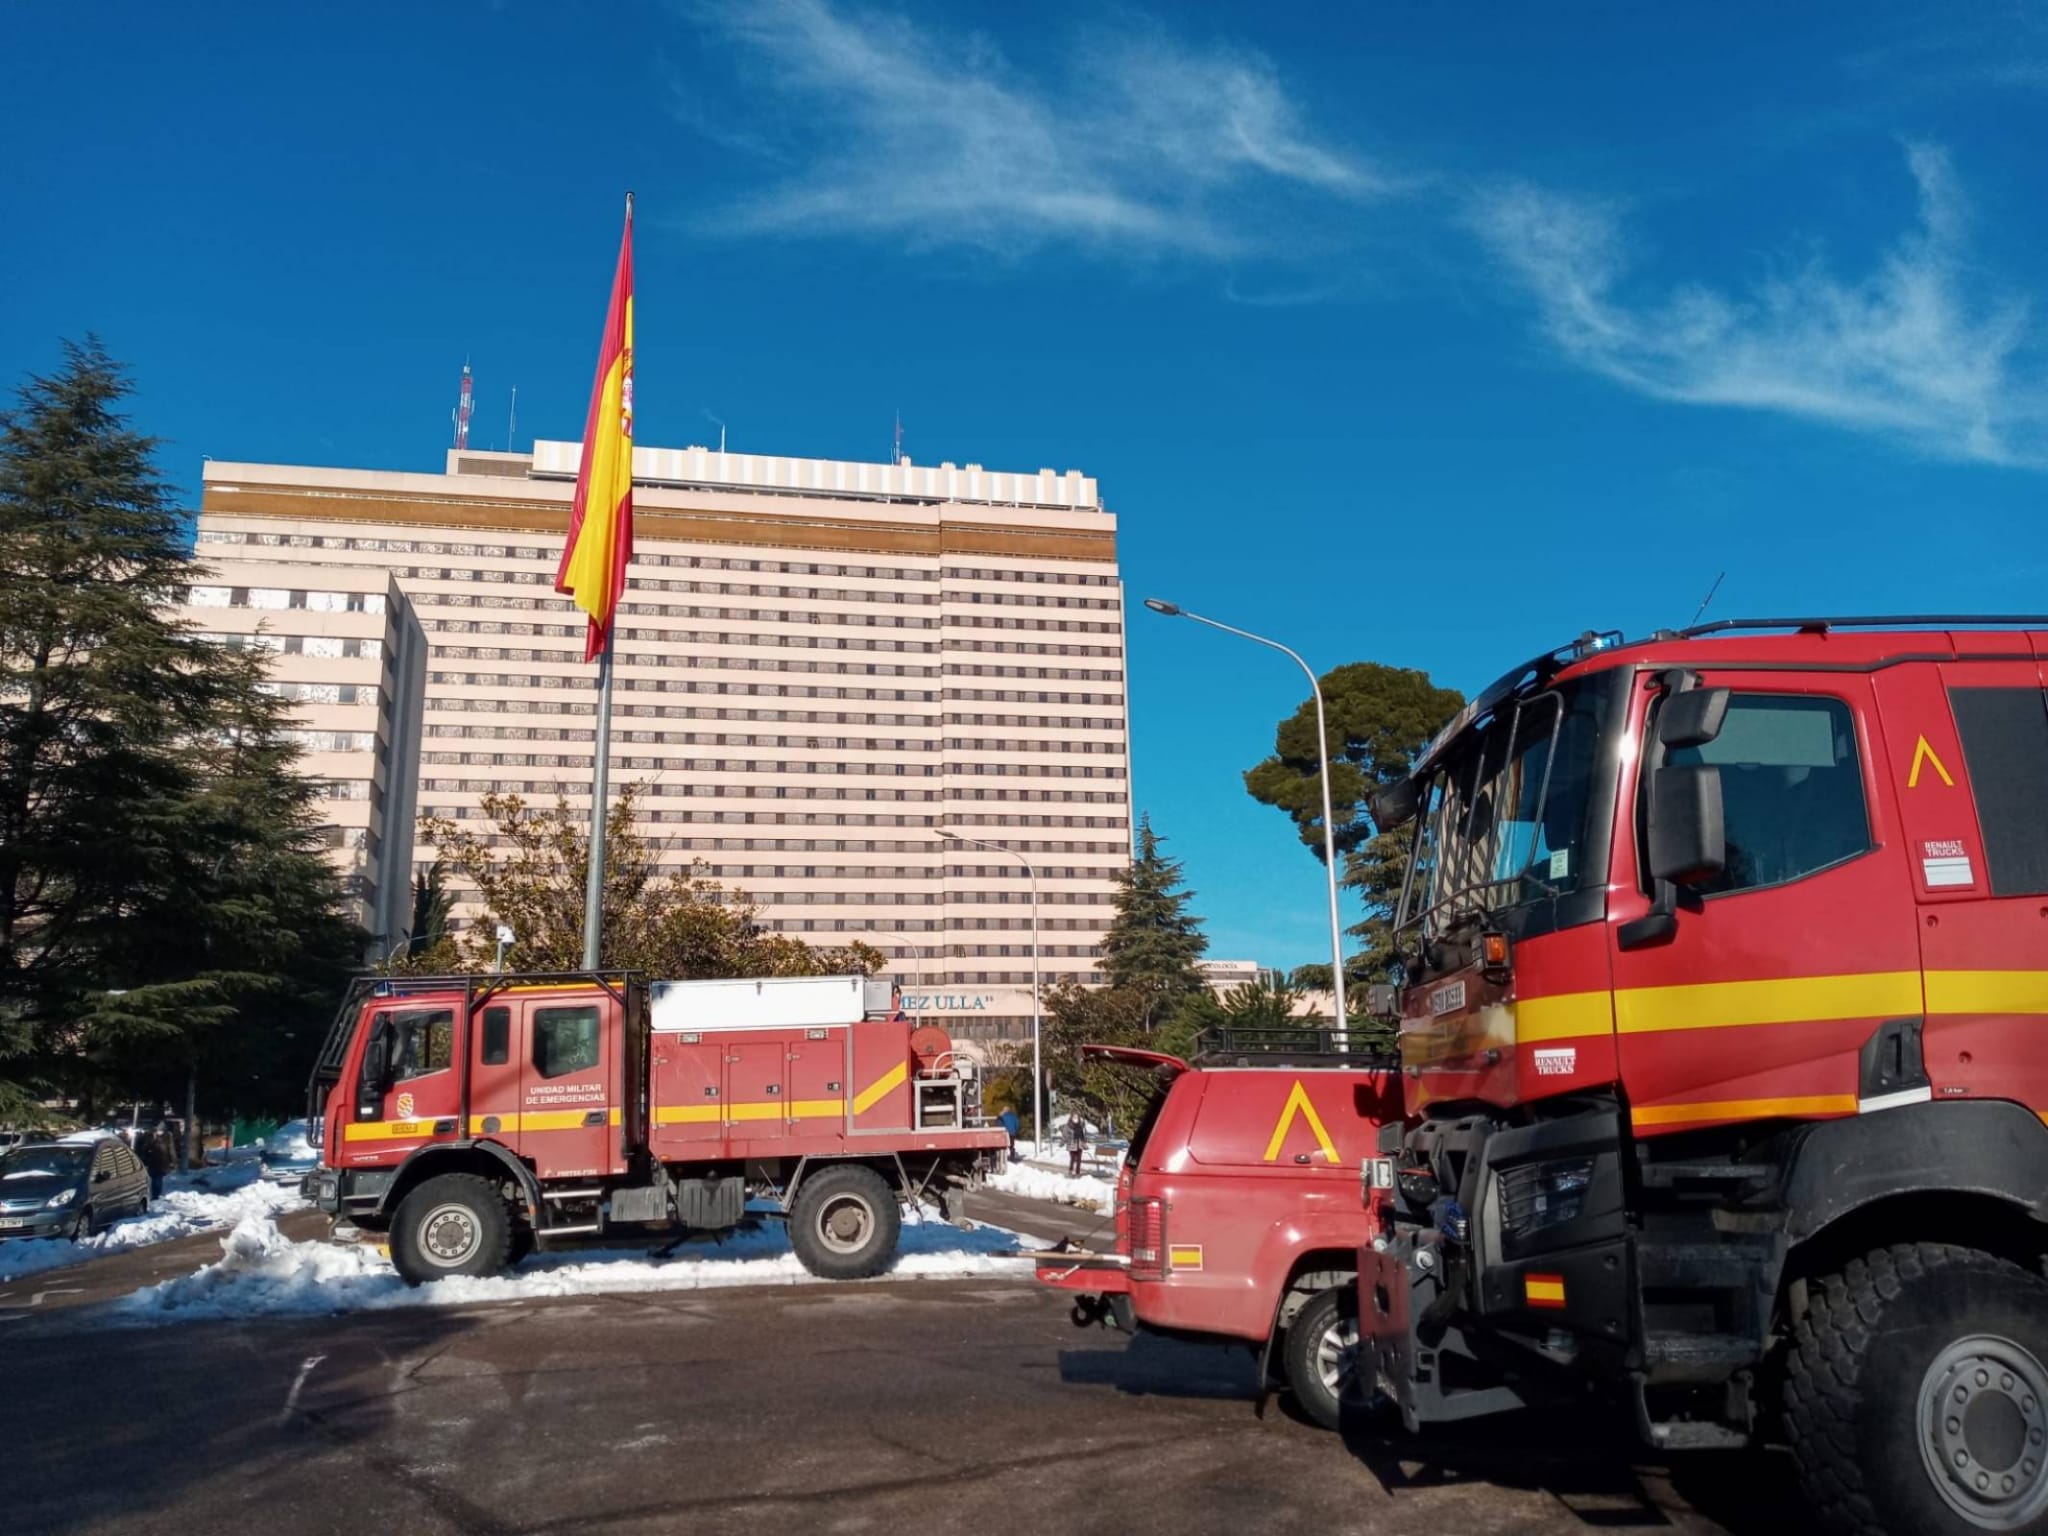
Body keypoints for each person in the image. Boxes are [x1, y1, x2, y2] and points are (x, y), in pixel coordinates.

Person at [136, 1129, 168, 1200]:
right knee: (156, 1180)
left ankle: (156, 1195)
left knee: (157, 1180)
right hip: (155, 1164)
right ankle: (156, 1195)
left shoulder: (159, 1142)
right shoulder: (152, 1142)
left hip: (158, 1164)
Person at [1064, 1109, 1086, 1178]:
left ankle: (1077, 1172)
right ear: (1072, 1116)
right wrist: (1067, 1139)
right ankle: (1070, 1170)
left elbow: (1082, 1134)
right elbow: (1065, 1134)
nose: (1076, 1118)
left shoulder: (1080, 1125)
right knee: (1073, 1158)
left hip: (1079, 1144)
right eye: (1074, 1116)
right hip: (1072, 1144)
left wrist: (1084, 1142)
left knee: (1079, 1159)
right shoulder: (1069, 1125)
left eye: (1077, 1116)